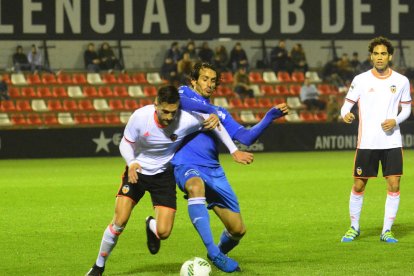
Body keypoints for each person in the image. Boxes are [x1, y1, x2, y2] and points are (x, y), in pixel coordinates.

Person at [86, 85, 253, 275]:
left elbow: (214, 123)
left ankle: (151, 225)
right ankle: (98, 266)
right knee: (120, 221)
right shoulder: (140, 117)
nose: (168, 117)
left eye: (173, 112)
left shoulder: (186, 119)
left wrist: (233, 150)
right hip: (137, 172)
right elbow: (126, 142)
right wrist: (131, 163)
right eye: (164, 111)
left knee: (164, 233)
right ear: (156, 104)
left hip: (164, 176)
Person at [172, 63, 289, 272]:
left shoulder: (220, 113)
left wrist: (269, 117)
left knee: (237, 229)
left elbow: (246, 137)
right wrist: (210, 110)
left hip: (214, 171)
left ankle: (216, 253)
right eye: (204, 79)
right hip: (186, 164)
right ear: (194, 81)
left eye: (213, 80)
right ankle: (215, 255)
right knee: (195, 186)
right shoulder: (182, 95)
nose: (209, 84)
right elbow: (181, 100)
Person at [340, 36, 412, 243]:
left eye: (383, 54)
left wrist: (395, 120)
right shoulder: (361, 80)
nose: (379, 57)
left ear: (390, 56)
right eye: (376, 54)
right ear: (371, 56)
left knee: (394, 184)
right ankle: (354, 227)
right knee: (359, 185)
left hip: (392, 142)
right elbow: (346, 105)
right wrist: (345, 114)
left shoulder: (401, 81)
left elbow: (407, 108)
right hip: (367, 142)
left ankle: (386, 231)